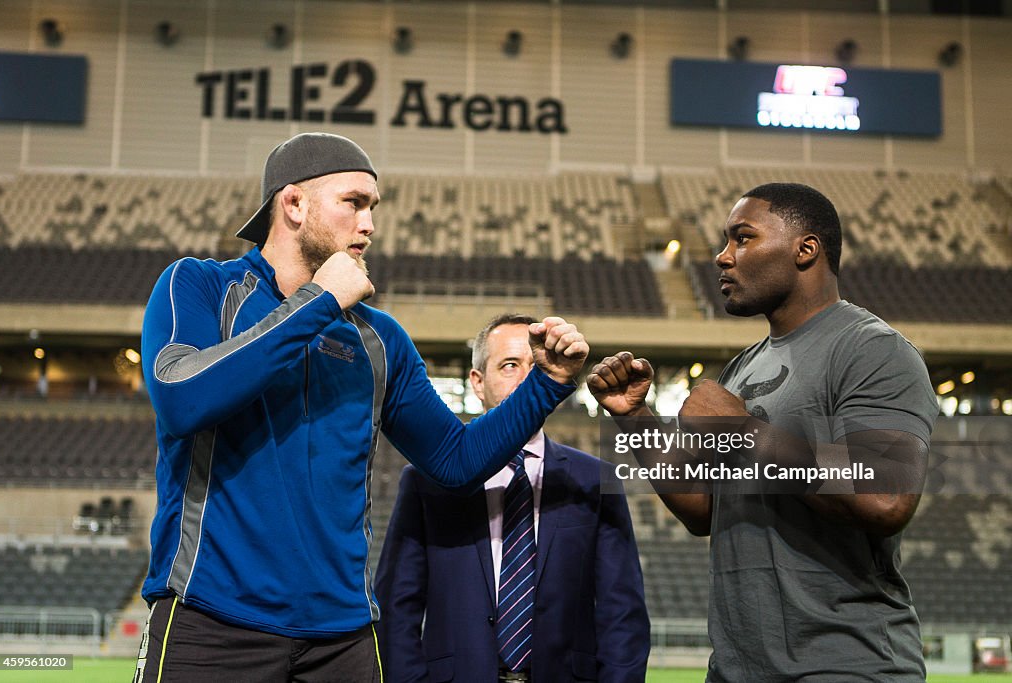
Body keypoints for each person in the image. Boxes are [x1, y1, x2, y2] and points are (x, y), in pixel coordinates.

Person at [135, 133, 589, 683]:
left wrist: (548, 384)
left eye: (373, 207)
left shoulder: (380, 339)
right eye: (353, 202)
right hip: (210, 622)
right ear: (294, 205)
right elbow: (182, 399)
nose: (369, 224)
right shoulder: (201, 285)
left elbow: (455, 460)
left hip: (344, 638)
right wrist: (318, 303)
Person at [588, 183, 938, 682]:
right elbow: (703, 510)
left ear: (805, 249)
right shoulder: (741, 369)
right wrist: (634, 417)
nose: (722, 256)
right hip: (737, 669)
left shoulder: (873, 350)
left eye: (743, 238)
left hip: (844, 665)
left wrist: (743, 430)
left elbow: (885, 498)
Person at [374, 313, 649, 683]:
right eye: (509, 365)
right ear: (477, 382)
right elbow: (396, 608)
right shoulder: (424, 481)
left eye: (537, 366)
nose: (527, 378)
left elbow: (622, 613)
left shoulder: (594, 479)